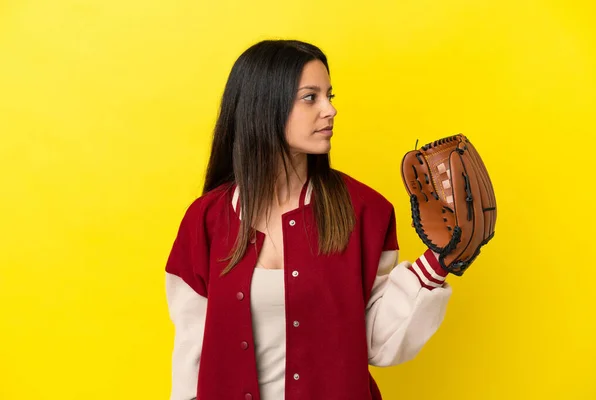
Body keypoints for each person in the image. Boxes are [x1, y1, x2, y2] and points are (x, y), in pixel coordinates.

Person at [165, 39, 452, 400]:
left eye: (330, 95)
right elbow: (192, 346)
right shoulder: (206, 219)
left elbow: (377, 342)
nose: (330, 110)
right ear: (264, 106)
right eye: (311, 97)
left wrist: (436, 264)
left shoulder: (365, 210)